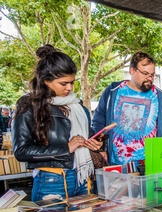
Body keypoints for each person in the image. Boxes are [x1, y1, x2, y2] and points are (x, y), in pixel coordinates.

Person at [12, 44, 102, 202]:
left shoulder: (78, 106)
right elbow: (21, 151)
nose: (70, 88)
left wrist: (97, 142)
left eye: (72, 82)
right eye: (64, 83)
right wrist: (66, 148)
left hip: (83, 178)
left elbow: (88, 134)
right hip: (52, 181)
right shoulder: (28, 105)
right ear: (46, 81)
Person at [92, 51, 162, 165]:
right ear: (132, 70)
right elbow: (98, 121)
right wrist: (100, 148)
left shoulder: (160, 96)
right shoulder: (112, 91)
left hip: (150, 165)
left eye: (152, 75)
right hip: (117, 165)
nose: (149, 78)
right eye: (145, 73)